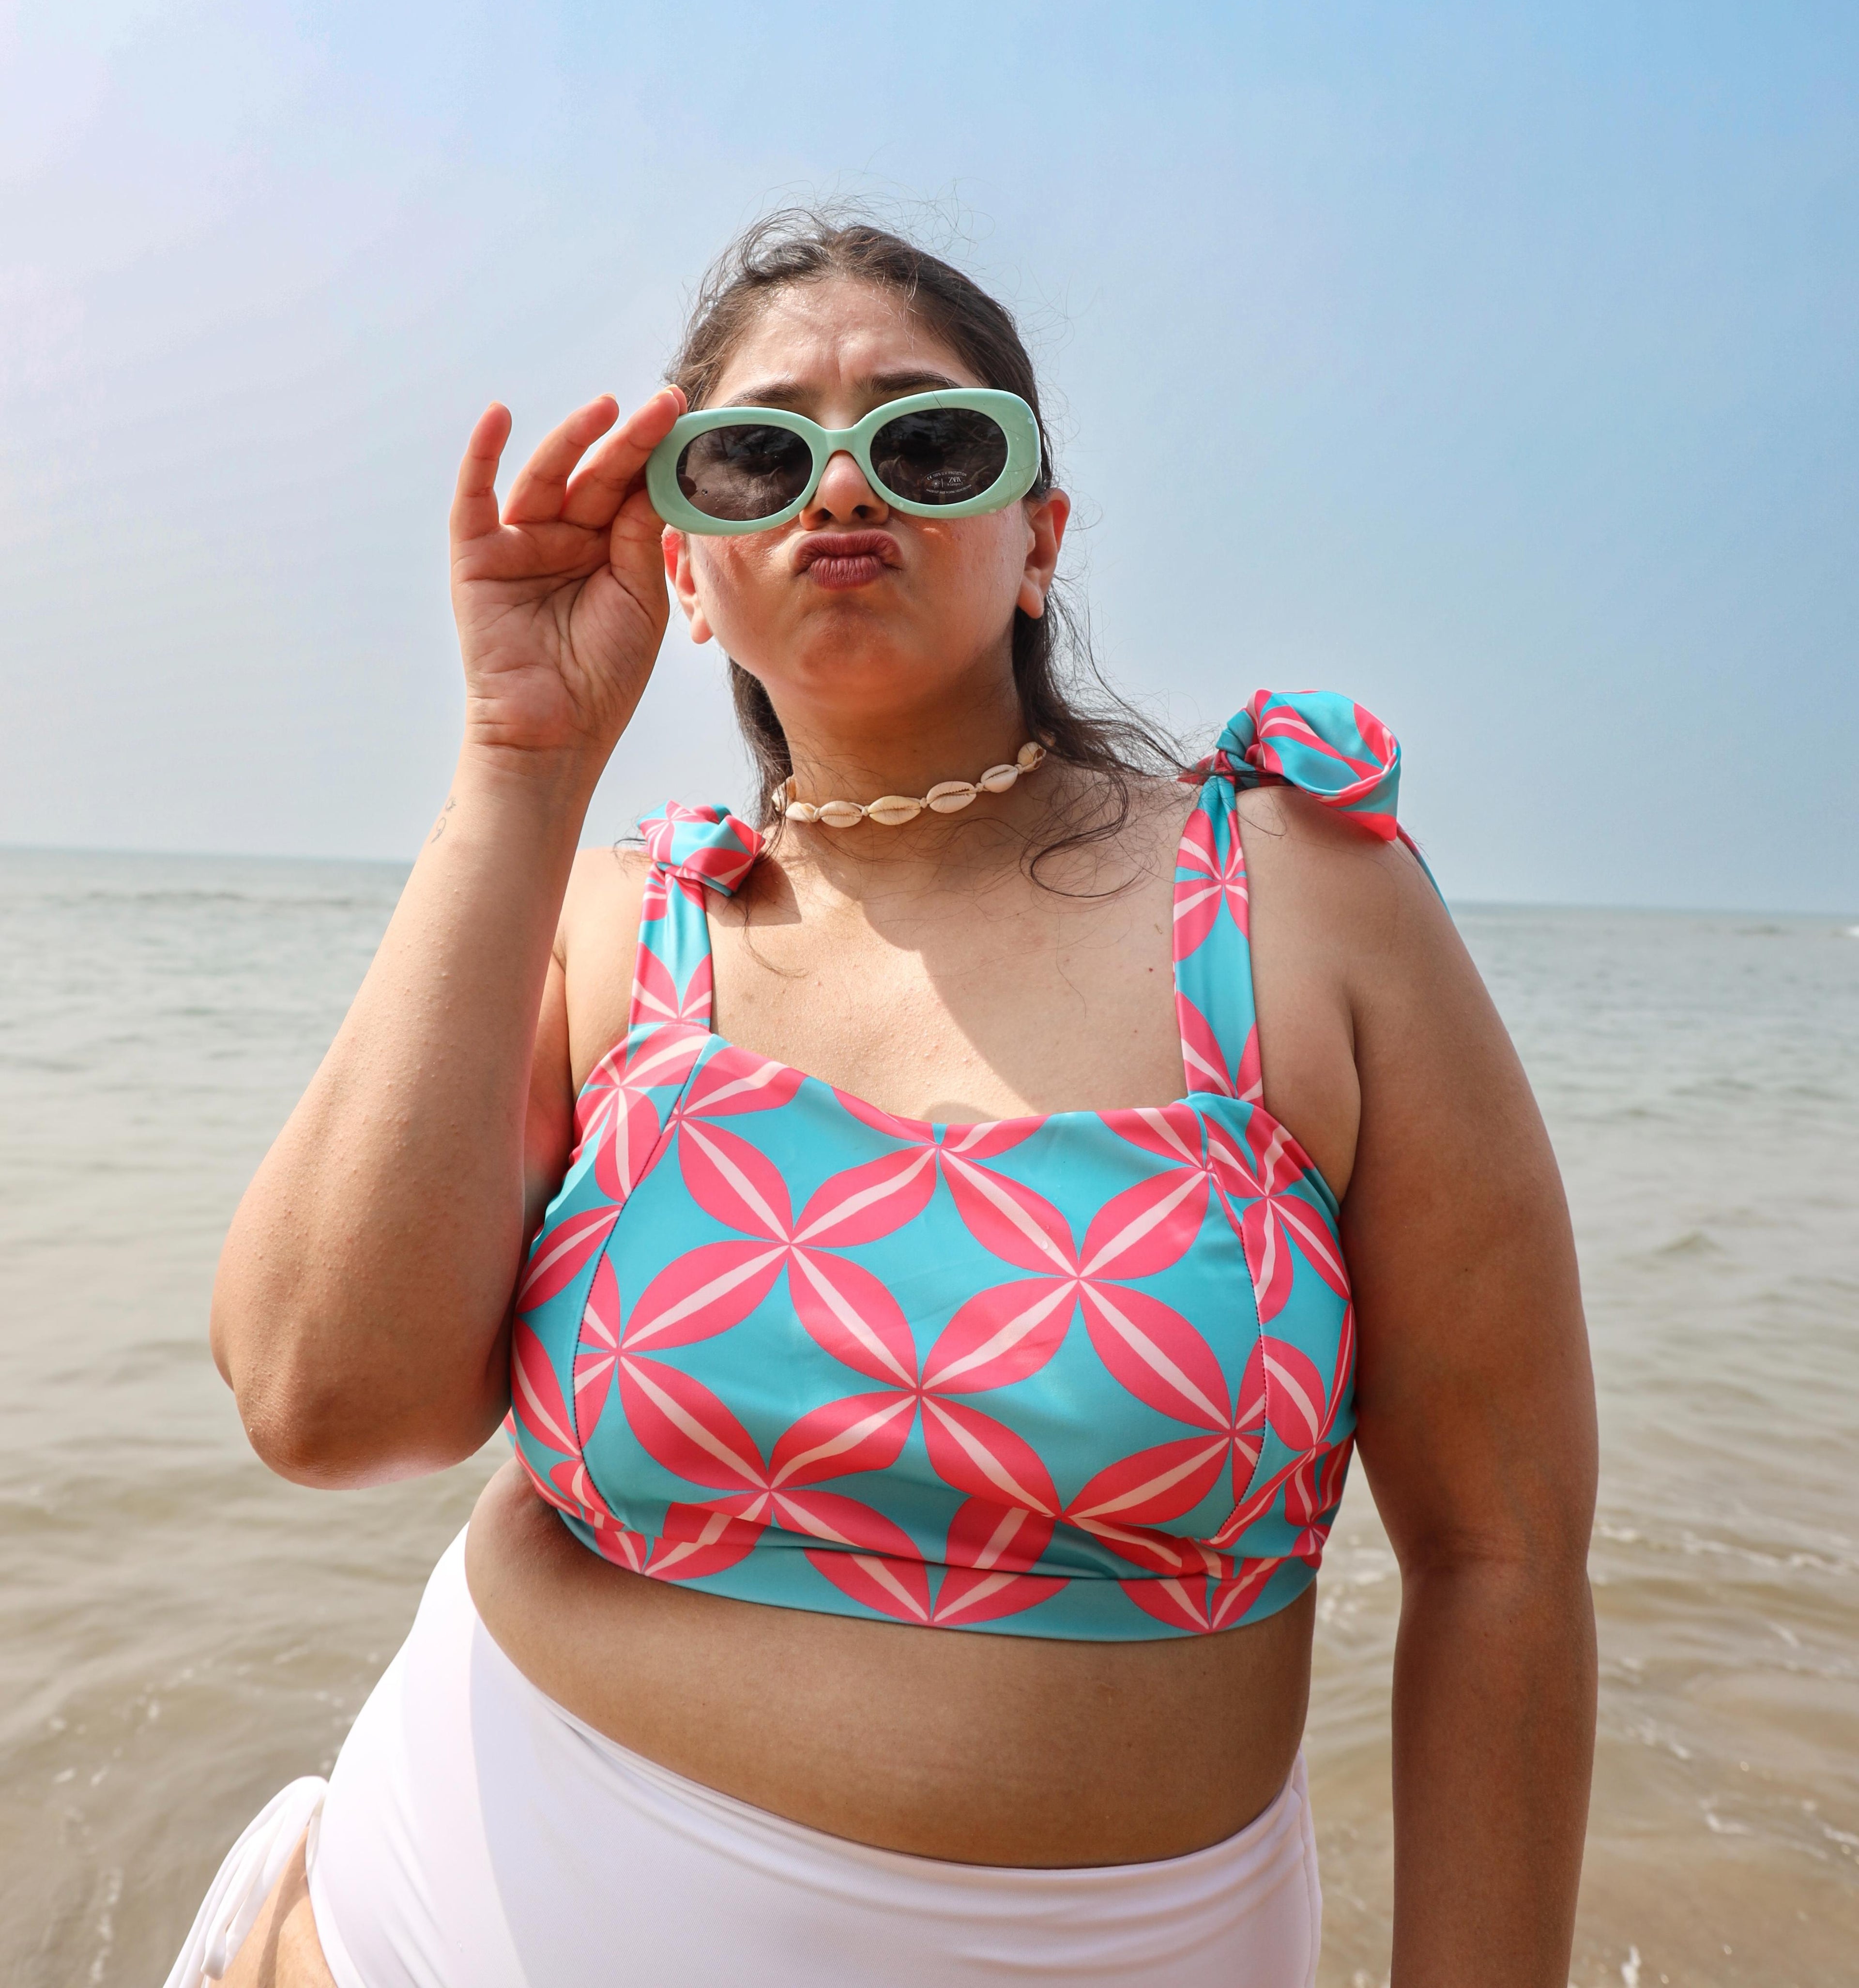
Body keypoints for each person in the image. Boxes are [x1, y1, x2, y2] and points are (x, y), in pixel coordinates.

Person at [181, 216, 1597, 1988]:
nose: (838, 491)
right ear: (687, 570)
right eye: (758, 454)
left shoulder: (1302, 902)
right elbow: (322, 1404)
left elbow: (1502, 1564)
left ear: (1037, 540)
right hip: (432, 1927)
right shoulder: (619, 923)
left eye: (926, 443)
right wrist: (519, 762)